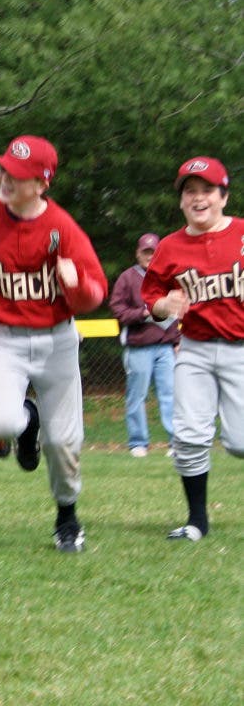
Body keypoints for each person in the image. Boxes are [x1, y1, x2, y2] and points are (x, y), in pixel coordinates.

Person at [0, 135, 107, 553]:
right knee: (1, 423)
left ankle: (67, 518)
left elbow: (95, 293)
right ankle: (27, 422)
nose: (6, 179)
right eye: (4, 169)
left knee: (63, 443)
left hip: (57, 340)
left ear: (42, 183)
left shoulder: (62, 228)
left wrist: (77, 286)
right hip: (4, 339)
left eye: (18, 175)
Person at [141, 156, 242, 543]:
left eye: (207, 190)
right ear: (182, 201)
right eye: (190, 191)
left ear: (224, 197)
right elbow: (151, 299)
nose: (198, 198)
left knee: (239, 442)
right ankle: (197, 521)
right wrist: (164, 306)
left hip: (240, 349)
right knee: (188, 437)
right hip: (195, 349)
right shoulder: (170, 246)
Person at [109, 233, 180, 457]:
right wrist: (142, 313)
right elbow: (118, 310)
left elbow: (176, 312)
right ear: (138, 253)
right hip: (138, 346)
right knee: (137, 396)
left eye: (153, 252)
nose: (150, 256)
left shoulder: (167, 277)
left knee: (170, 395)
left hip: (165, 347)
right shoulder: (127, 278)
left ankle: (176, 442)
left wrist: (177, 341)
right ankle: (138, 442)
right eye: (146, 252)